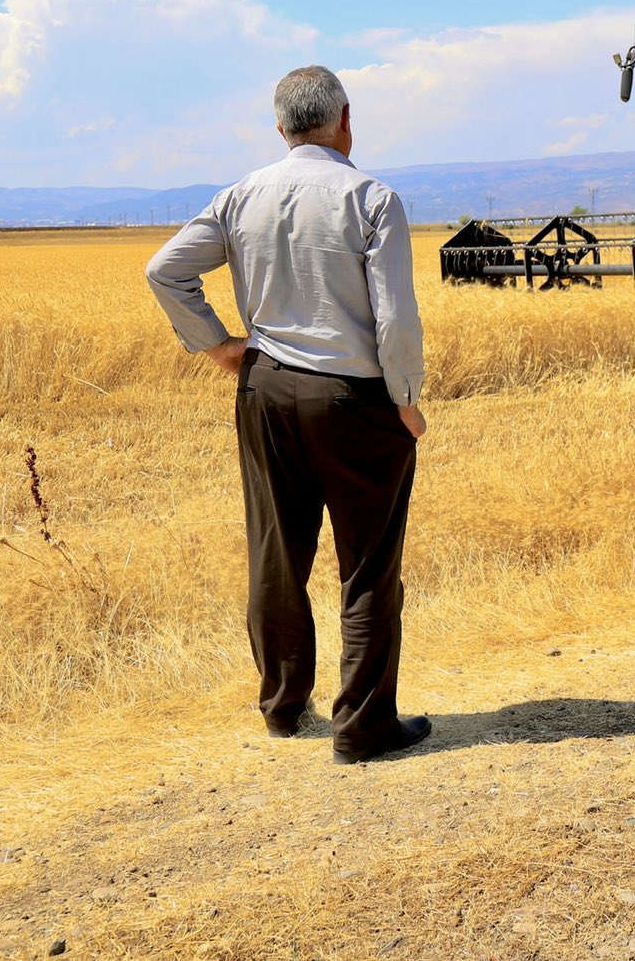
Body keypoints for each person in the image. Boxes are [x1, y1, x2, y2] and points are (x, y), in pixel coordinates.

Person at [145, 65, 431, 765]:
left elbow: (165, 270)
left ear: (281, 129)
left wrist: (217, 345)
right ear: (345, 119)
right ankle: (363, 727)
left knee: (277, 552)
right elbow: (394, 316)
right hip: (356, 399)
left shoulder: (243, 194)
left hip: (267, 390)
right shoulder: (371, 197)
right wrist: (407, 398)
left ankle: (282, 706)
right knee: (366, 565)